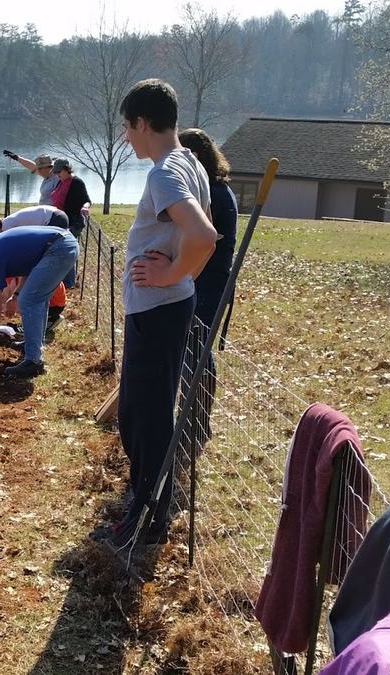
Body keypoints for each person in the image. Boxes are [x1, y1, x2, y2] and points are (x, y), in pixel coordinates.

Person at [109, 79, 217, 545]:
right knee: (141, 412)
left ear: (143, 122)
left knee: (145, 418)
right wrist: (182, 275)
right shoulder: (190, 162)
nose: (125, 138)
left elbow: (205, 236)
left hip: (157, 310)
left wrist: (172, 274)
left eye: (127, 128)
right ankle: (148, 502)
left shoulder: (165, 174)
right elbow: (202, 239)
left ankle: (146, 518)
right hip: (164, 307)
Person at [178, 128, 237, 445]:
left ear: (196, 158)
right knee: (192, 349)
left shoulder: (214, 193)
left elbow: (203, 242)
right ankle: (191, 415)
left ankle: (198, 422)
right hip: (202, 279)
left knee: (197, 350)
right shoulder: (211, 189)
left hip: (209, 282)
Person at [0, 225, 79, 378]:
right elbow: (27, 270)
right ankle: (32, 346)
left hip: (57, 248)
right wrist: (13, 297)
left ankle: (34, 361)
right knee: (35, 299)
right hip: (62, 244)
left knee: (28, 301)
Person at [50, 158, 92, 239]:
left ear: (67, 169)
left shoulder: (77, 182)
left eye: (59, 172)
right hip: (60, 221)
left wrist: (85, 207)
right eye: (55, 172)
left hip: (73, 223)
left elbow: (87, 201)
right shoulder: (60, 181)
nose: (57, 174)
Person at [0, 204, 69, 236]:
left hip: (54, 218)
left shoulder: (7, 226)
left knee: (51, 250)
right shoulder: (8, 221)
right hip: (57, 214)